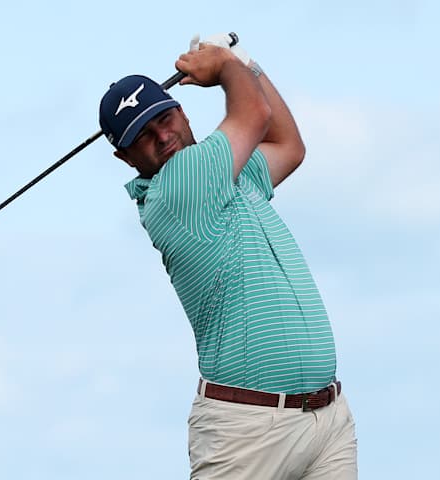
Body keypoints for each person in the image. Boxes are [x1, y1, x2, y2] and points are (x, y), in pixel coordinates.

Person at [98, 33, 357, 479]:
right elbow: (255, 113)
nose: (163, 136)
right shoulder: (180, 184)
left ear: (180, 110)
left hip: (326, 417)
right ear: (125, 157)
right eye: (143, 136)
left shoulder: (226, 174)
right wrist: (224, 66)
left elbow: (289, 147)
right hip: (248, 432)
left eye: (163, 118)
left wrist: (246, 63)